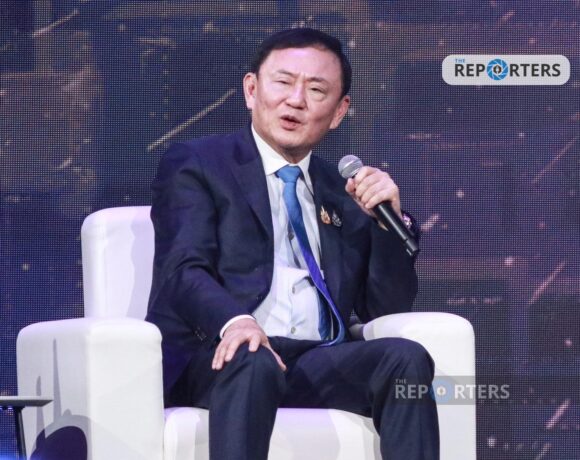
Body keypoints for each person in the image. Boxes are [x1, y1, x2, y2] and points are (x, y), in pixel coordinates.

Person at [146, 28, 439, 460]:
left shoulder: (345, 192)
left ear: (339, 112)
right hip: (220, 356)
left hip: (315, 359)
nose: (296, 100)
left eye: (316, 90)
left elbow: (385, 309)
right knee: (252, 357)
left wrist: (386, 225)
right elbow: (183, 268)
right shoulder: (199, 164)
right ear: (252, 90)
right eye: (283, 82)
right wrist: (236, 322)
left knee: (405, 359)